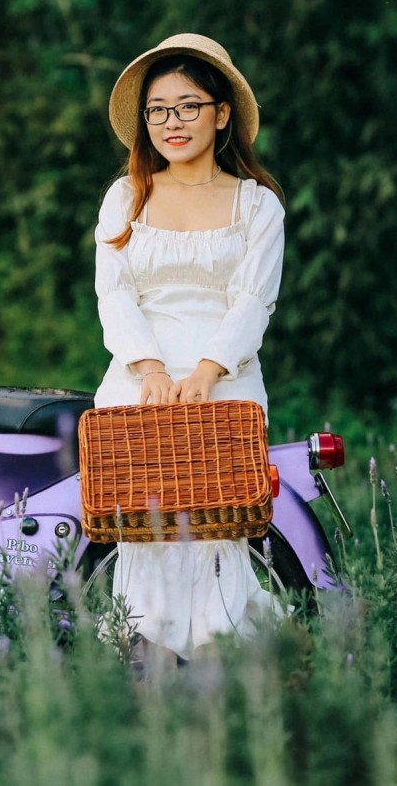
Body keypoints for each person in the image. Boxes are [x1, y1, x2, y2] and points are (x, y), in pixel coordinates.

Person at [93, 33, 287, 664]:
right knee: (144, 529)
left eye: (187, 106)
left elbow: (252, 302)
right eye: (158, 110)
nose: (171, 123)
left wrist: (205, 374)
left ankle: (218, 654)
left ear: (221, 113)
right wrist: (148, 368)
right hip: (136, 378)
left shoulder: (256, 204)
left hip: (224, 377)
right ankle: (144, 658)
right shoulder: (127, 196)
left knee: (216, 527)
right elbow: (114, 294)